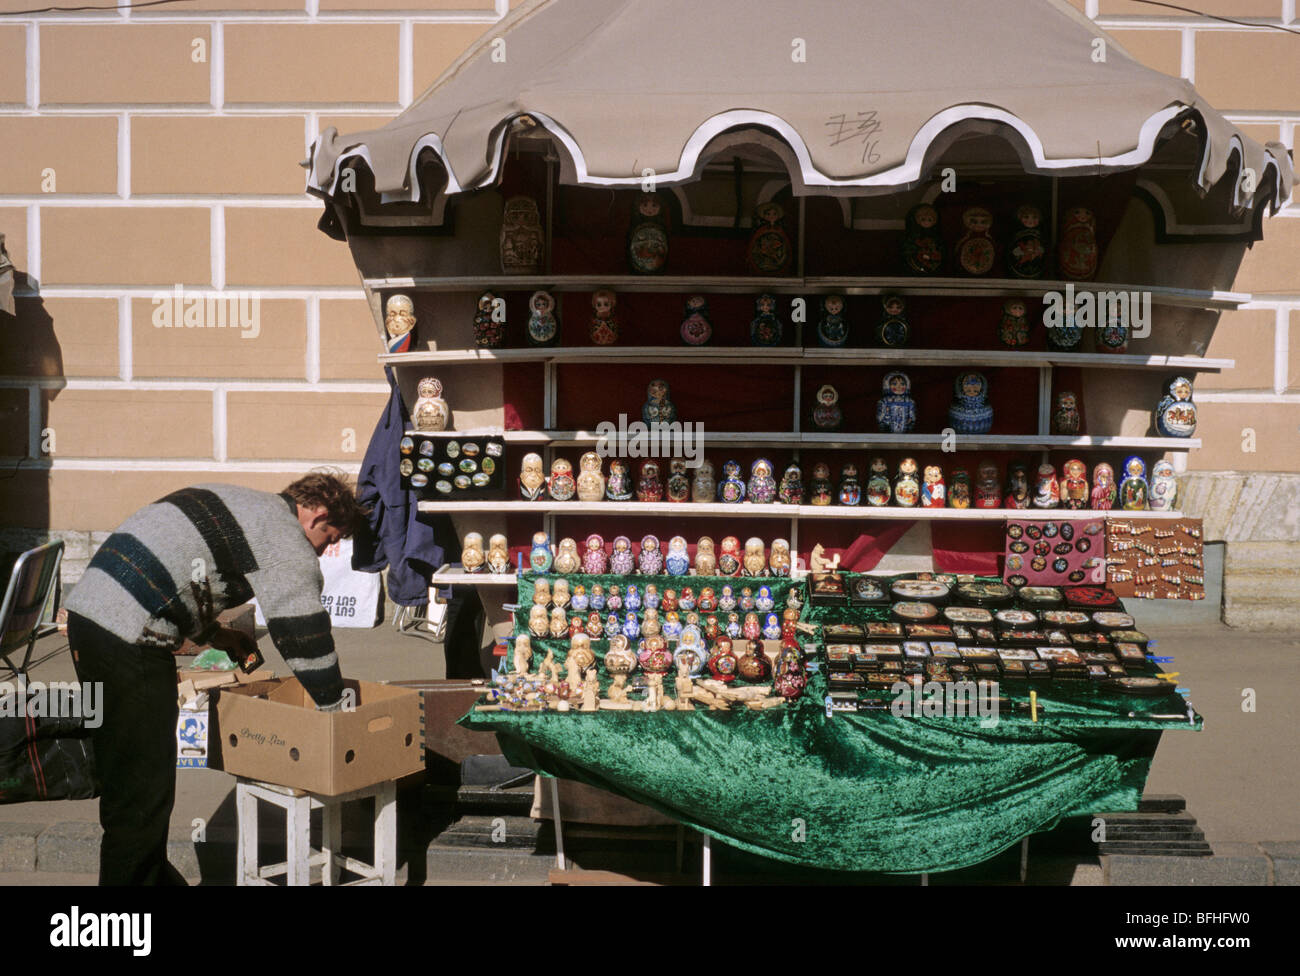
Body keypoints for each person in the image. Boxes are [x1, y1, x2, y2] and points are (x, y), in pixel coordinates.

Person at [64, 470, 368, 885]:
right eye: (332, 538)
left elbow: (186, 577)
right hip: (126, 637)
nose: (326, 549)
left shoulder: (247, 504)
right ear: (317, 515)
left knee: (130, 773)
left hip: (91, 619)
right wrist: (337, 712)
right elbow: (303, 634)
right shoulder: (285, 538)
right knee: (140, 791)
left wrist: (215, 635)